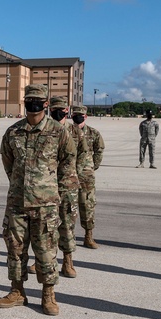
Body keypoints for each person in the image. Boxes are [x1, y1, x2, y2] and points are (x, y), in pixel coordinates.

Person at [0, 85, 75, 315]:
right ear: (24, 102)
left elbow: (68, 162)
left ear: (46, 103)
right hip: (17, 203)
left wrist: (54, 191)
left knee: (46, 251)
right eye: (29, 100)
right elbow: (7, 161)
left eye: (38, 100)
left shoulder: (58, 132)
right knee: (15, 249)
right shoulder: (13, 132)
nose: (33, 104)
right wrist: (19, 184)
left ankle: (48, 295)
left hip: (46, 204)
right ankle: (17, 291)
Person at [49, 97, 85, 277]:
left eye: (61, 109)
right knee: (46, 225)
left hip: (68, 185)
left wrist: (77, 177)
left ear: (67, 110)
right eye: (55, 109)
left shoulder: (75, 131)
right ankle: (44, 260)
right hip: (47, 185)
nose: (58, 113)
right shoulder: (45, 129)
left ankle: (68, 262)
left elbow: (83, 156)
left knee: (68, 224)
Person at [71, 105, 104, 249]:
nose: (78, 118)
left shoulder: (93, 133)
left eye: (81, 115)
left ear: (85, 116)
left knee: (87, 205)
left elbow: (99, 150)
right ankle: (68, 237)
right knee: (68, 207)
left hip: (86, 175)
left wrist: (92, 166)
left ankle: (88, 236)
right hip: (69, 174)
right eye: (75, 115)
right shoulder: (66, 131)